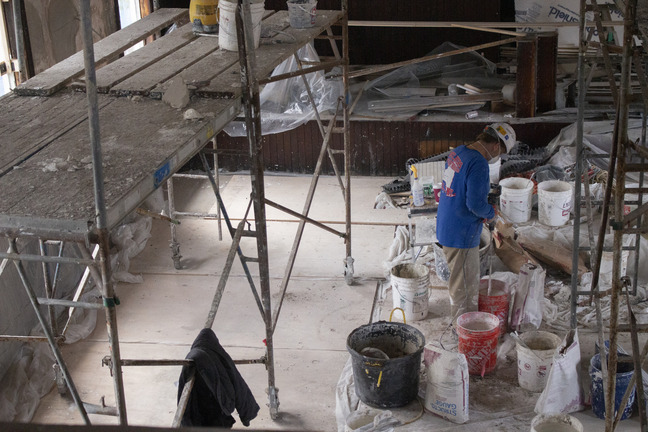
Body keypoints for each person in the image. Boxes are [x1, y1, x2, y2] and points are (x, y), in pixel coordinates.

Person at [436, 123, 517, 327]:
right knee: (465, 288)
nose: (498, 157)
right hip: (462, 234)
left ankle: (461, 325)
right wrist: (491, 213)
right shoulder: (479, 163)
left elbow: (457, 187)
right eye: (502, 152)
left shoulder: (458, 152)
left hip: (447, 224)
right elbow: (475, 205)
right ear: (497, 146)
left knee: (458, 282)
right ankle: (464, 332)